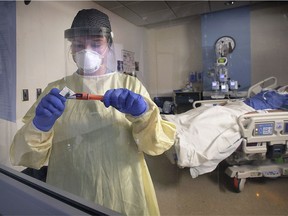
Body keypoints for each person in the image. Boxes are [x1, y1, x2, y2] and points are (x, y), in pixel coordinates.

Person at [10, 8, 176, 216]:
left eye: (96, 43)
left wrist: (143, 115)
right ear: (70, 48)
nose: (86, 51)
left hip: (122, 193)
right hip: (69, 190)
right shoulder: (56, 90)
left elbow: (155, 145)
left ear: (108, 45)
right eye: (79, 44)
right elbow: (28, 157)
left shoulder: (130, 85)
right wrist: (39, 125)